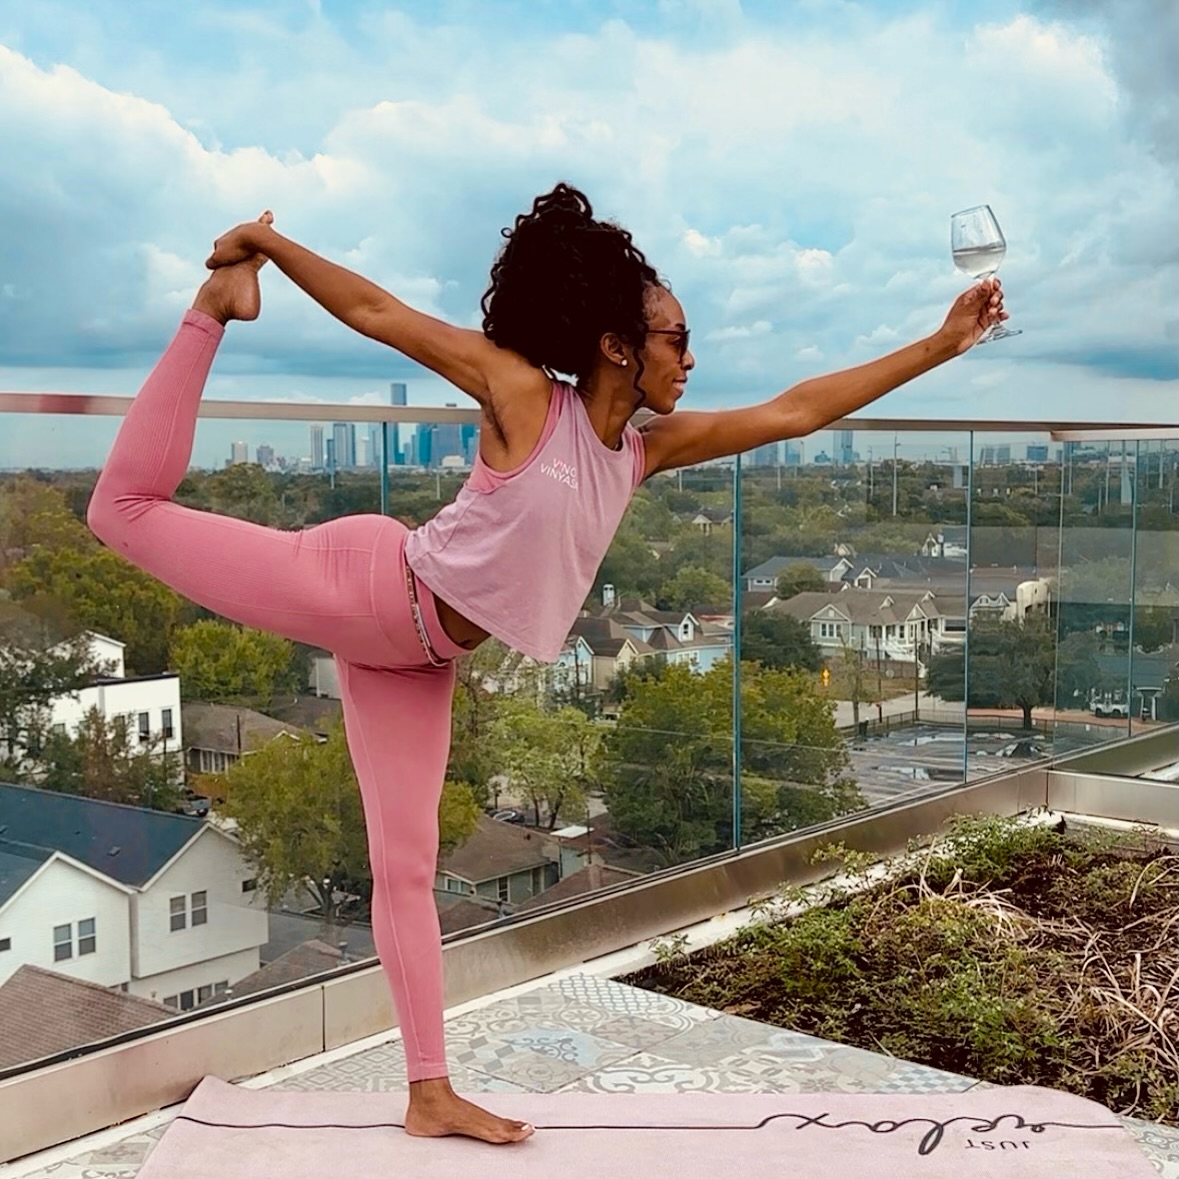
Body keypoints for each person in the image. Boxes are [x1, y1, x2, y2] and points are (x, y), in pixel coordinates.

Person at [87, 184, 1006, 1145]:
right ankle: (212, 307)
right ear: (617, 346)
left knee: (406, 867)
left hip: (418, 659)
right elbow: (377, 312)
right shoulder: (525, 396)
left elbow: (797, 409)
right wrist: (265, 249)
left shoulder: (640, 453)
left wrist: (942, 344)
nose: (690, 359)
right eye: (676, 339)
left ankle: (428, 1092)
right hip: (362, 587)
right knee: (122, 511)